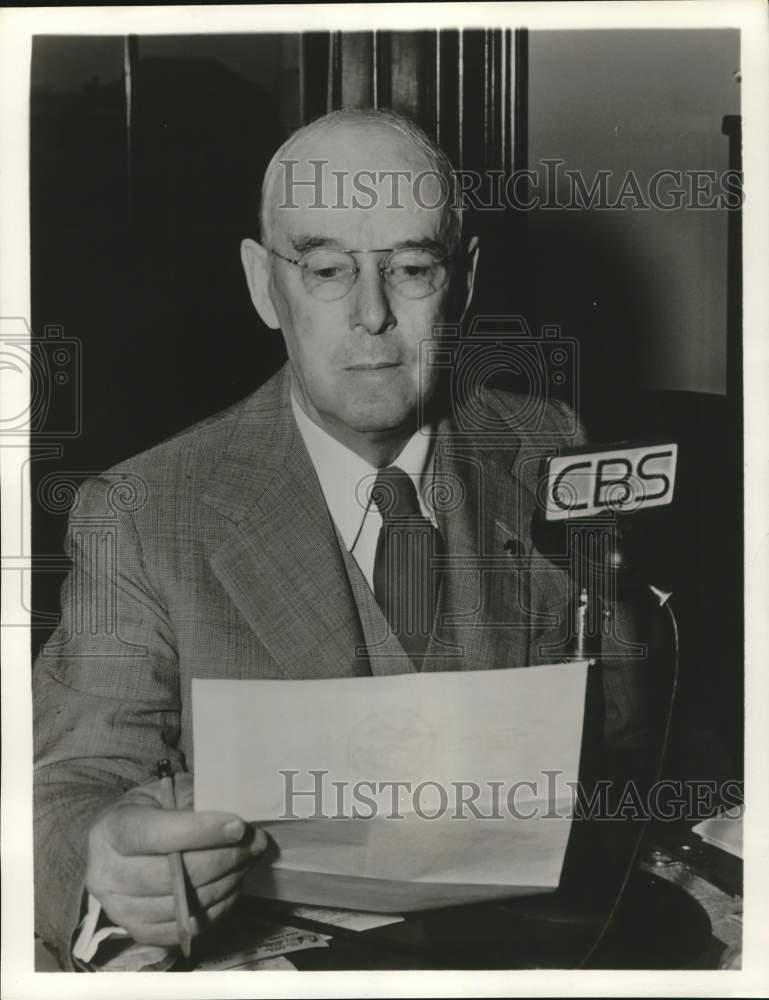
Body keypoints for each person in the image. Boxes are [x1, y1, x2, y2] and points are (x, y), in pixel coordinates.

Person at [33, 108, 656, 968]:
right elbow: (62, 789)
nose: (371, 314)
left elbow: (632, 742)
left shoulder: (548, 447)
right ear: (263, 285)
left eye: (411, 268)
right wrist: (104, 855)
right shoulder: (142, 512)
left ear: (464, 281)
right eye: (326, 269)